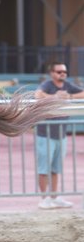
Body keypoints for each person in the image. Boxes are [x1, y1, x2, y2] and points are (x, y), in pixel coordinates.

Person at [34, 62, 84, 210]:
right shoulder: (47, 84)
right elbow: (37, 95)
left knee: (56, 168)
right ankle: (44, 199)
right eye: (59, 71)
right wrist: (54, 97)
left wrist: (69, 96)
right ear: (52, 73)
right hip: (45, 133)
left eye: (64, 71)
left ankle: (54, 197)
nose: (62, 74)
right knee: (44, 168)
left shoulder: (68, 86)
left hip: (61, 134)